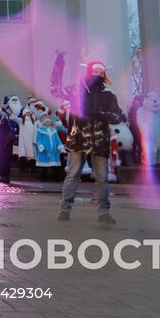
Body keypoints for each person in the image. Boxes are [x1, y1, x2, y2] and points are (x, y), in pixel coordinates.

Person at [54, 53, 122, 225]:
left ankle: (103, 212)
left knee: (102, 177)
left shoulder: (108, 96)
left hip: (99, 141)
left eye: (101, 72)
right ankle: (65, 209)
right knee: (72, 175)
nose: (98, 75)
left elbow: (118, 116)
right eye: (95, 71)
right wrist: (59, 64)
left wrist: (102, 115)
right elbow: (55, 89)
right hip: (78, 140)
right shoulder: (76, 90)